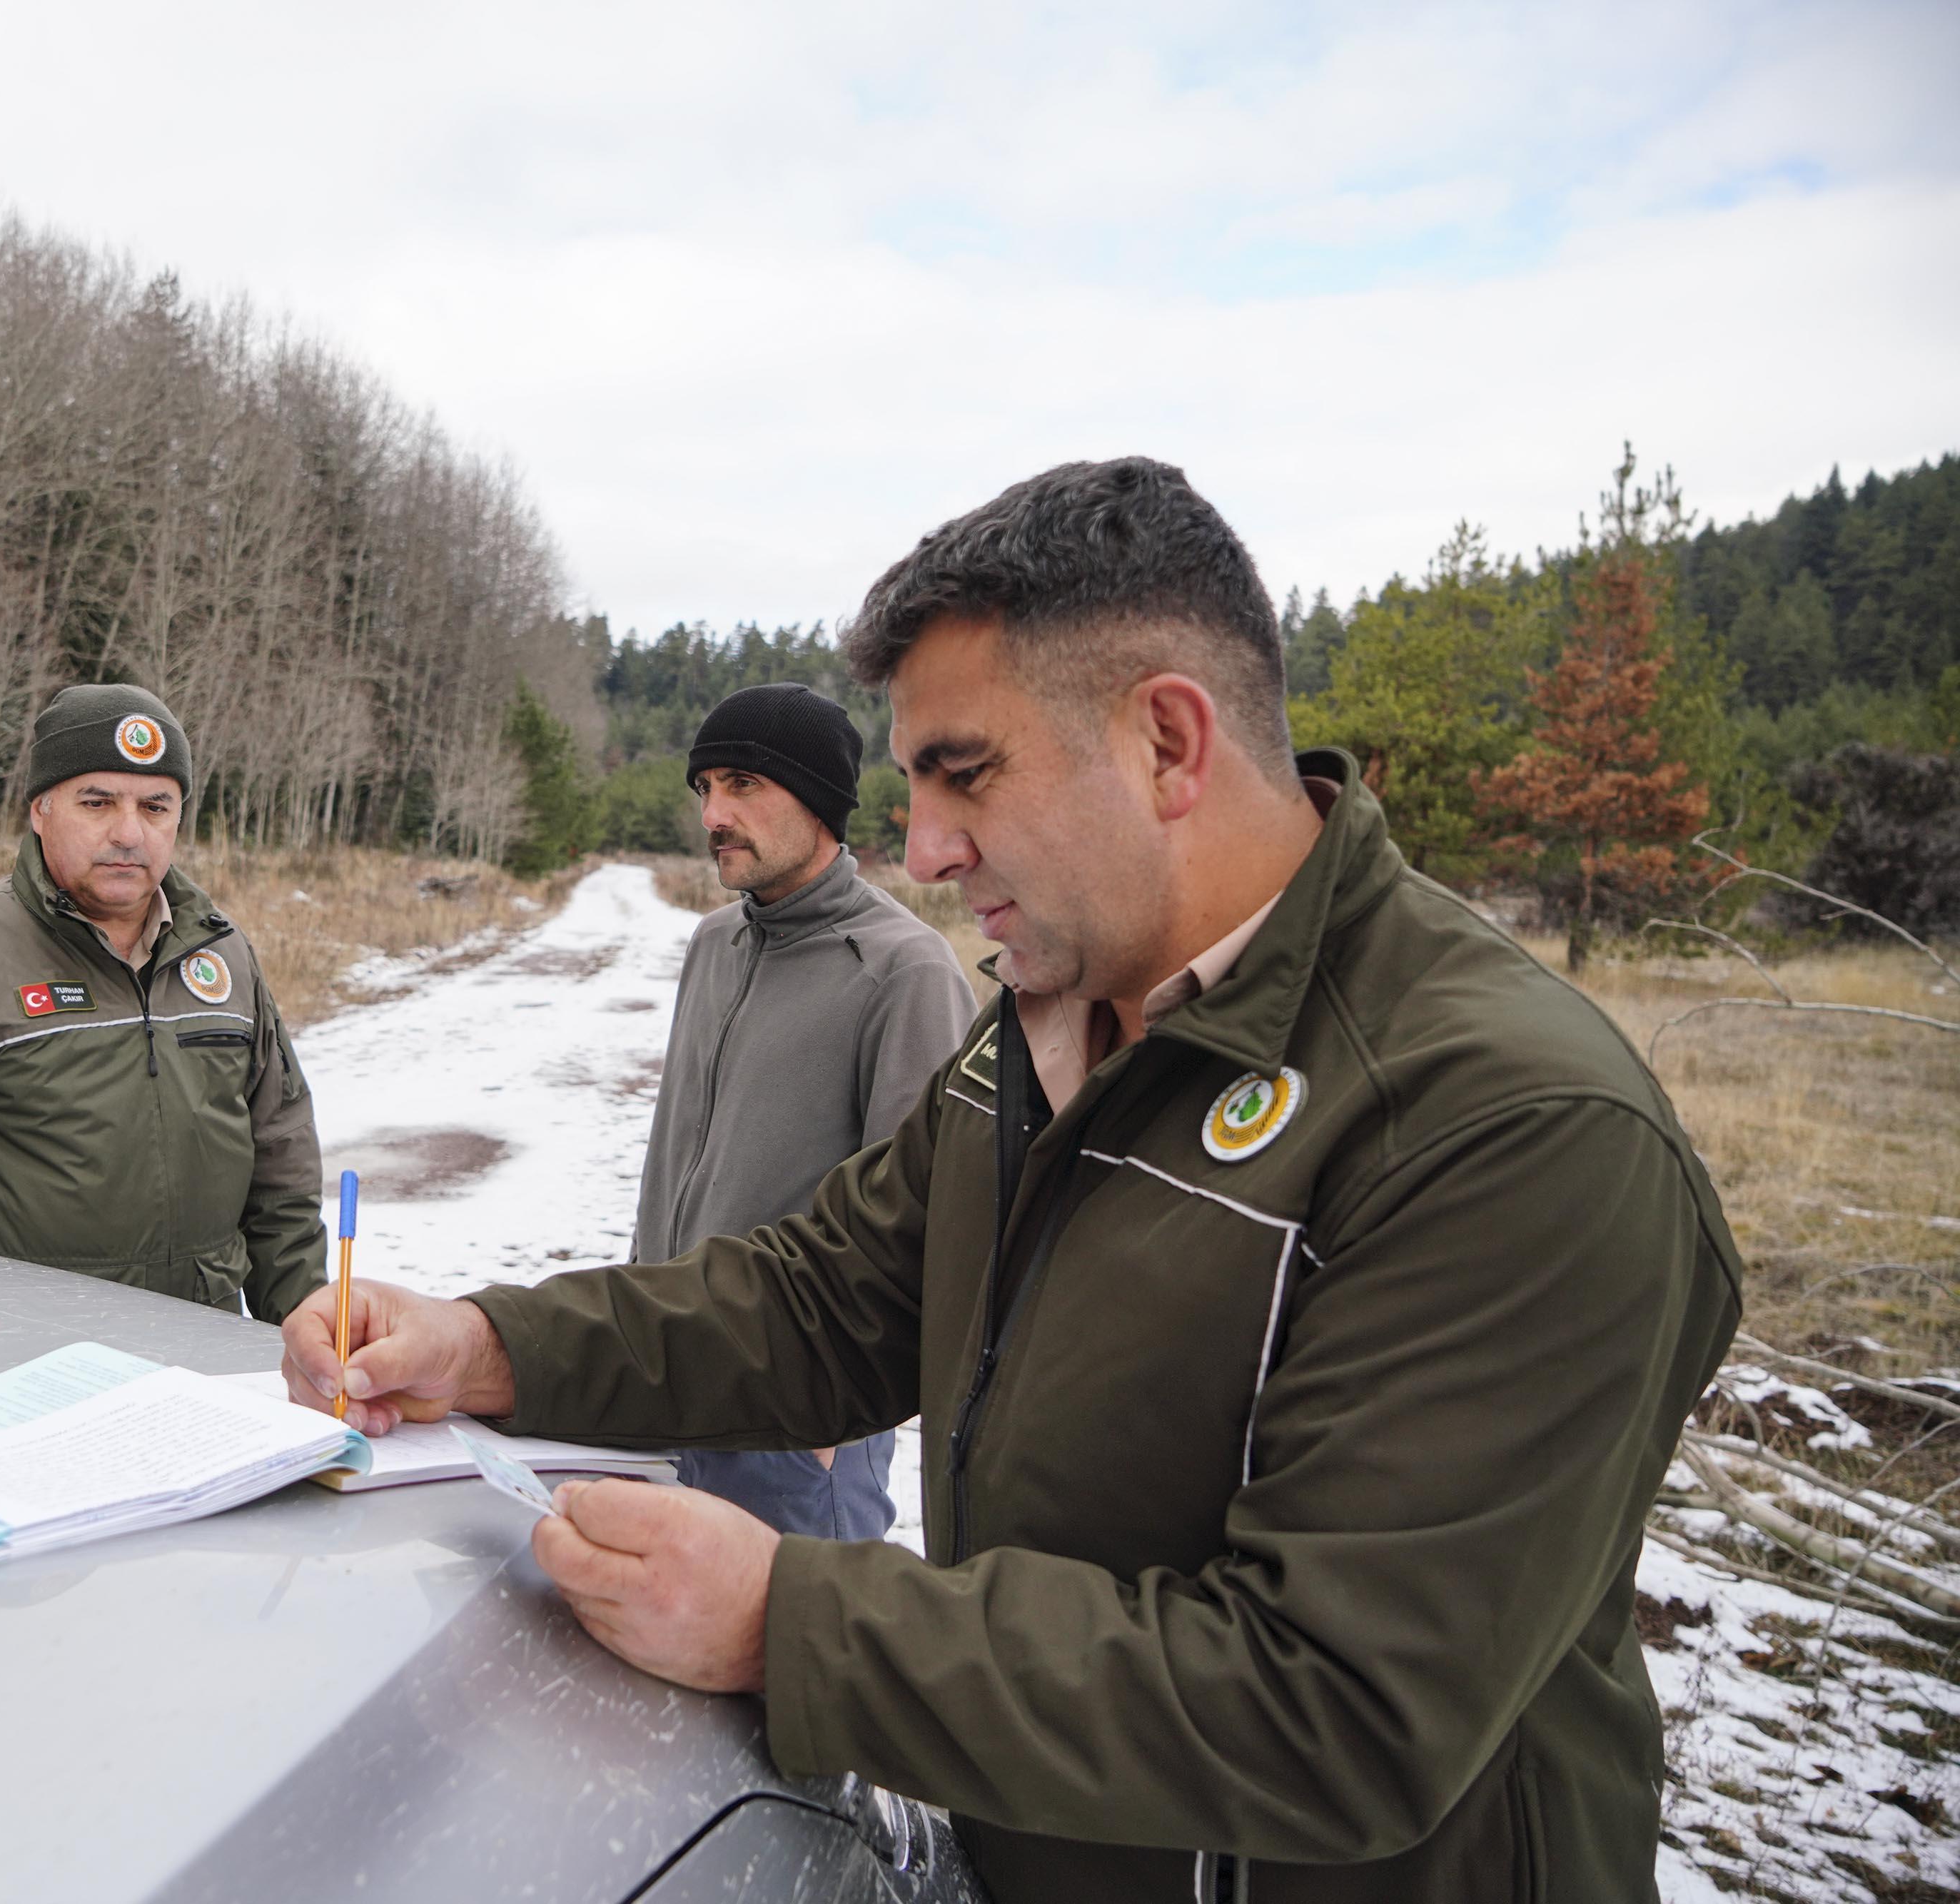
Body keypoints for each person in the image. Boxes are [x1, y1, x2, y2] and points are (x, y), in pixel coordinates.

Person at [283, 458, 1742, 1900]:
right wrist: (486, 1346)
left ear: (1167, 742)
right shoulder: (1053, 1013)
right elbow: (826, 1298)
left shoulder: (1508, 1123)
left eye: (961, 773)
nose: (920, 850)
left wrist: (785, 1625)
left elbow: (1340, 1701)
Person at [0, 684, 325, 1325]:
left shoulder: (224, 959)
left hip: (205, 1348)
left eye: (155, 807)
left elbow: (280, 1162)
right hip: (18, 1360)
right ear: (41, 809)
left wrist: (303, 1328)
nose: (128, 833)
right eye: (97, 802)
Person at [642, 682, 973, 1540]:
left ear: (821, 801)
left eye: (743, 785)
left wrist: (833, 1423)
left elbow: (920, 1231)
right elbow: (674, 1158)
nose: (714, 812)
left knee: (793, 1670)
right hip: (663, 1381)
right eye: (704, 787)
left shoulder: (904, 970)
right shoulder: (713, 945)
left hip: (795, 1430)